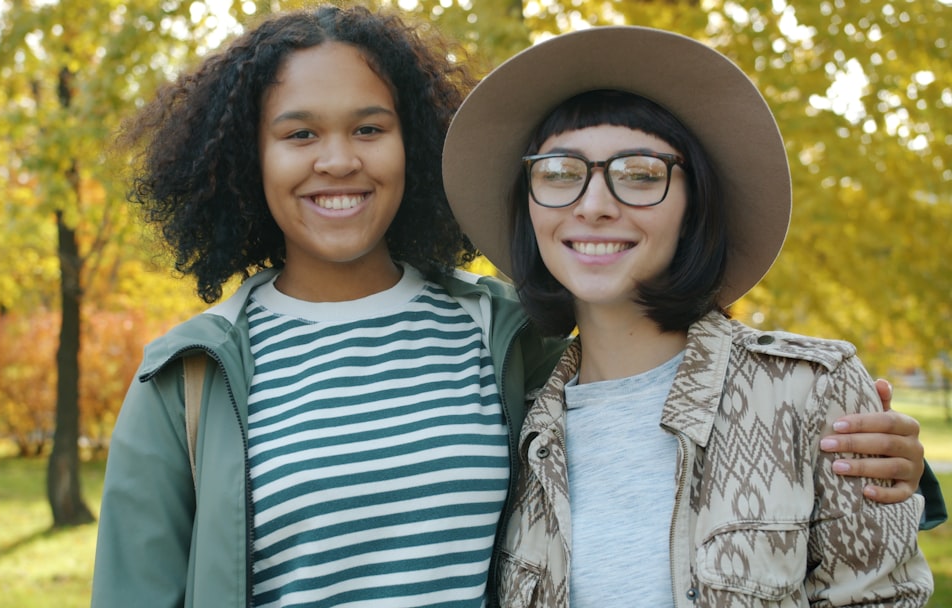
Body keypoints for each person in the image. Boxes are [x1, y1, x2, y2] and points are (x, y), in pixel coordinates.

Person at [92, 7, 934, 606]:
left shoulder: (503, 331)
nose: (338, 161)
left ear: (412, 145)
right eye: (300, 133)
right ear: (250, 158)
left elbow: (669, 394)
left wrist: (890, 459)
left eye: (371, 129)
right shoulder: (190, 379)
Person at [442, 25, 937, 606]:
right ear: (528, 207)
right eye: (559, 173)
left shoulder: (809, 391)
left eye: (641, 174)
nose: (595, 205)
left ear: (693, 204)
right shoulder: (511, 420)